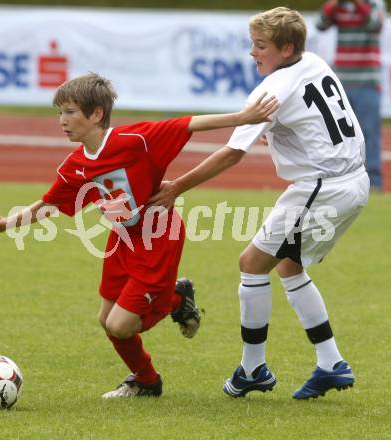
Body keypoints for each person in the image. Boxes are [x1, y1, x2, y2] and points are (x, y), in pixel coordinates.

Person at [0, 73, 278, 399]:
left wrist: (242, 118)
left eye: (70, 112)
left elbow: (188, 124)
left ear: (96, 114)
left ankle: (175, 300)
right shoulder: (77, 163)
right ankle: (146, 380)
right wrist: (6, 223)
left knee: (121, 325)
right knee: (106, 320)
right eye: (59, 113)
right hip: (121, 238)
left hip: (157, 236)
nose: (62, 121)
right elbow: (49, 204)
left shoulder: (135, 139)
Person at [149, 7, 370, 400]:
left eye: (261, 46)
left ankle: (252, 369)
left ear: (286, 49)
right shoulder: (314, 62)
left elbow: (232, 153)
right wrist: (283, 135)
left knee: (251, 264)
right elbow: (314, 119)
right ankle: (330, 363)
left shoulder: (270, 90)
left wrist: (176, 187)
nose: (253, 53)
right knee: (287, 265)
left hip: (324, 186)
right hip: (351, 180)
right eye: (253, 44)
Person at [317, 0, 385, 191]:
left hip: (367, 82)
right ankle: (339, 182)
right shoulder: (339, 5)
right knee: (336, 134)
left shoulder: (374, 3)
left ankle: (374, 182)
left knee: (370, 133)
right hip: (341, 83)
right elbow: (320, 23)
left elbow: (375, 25)